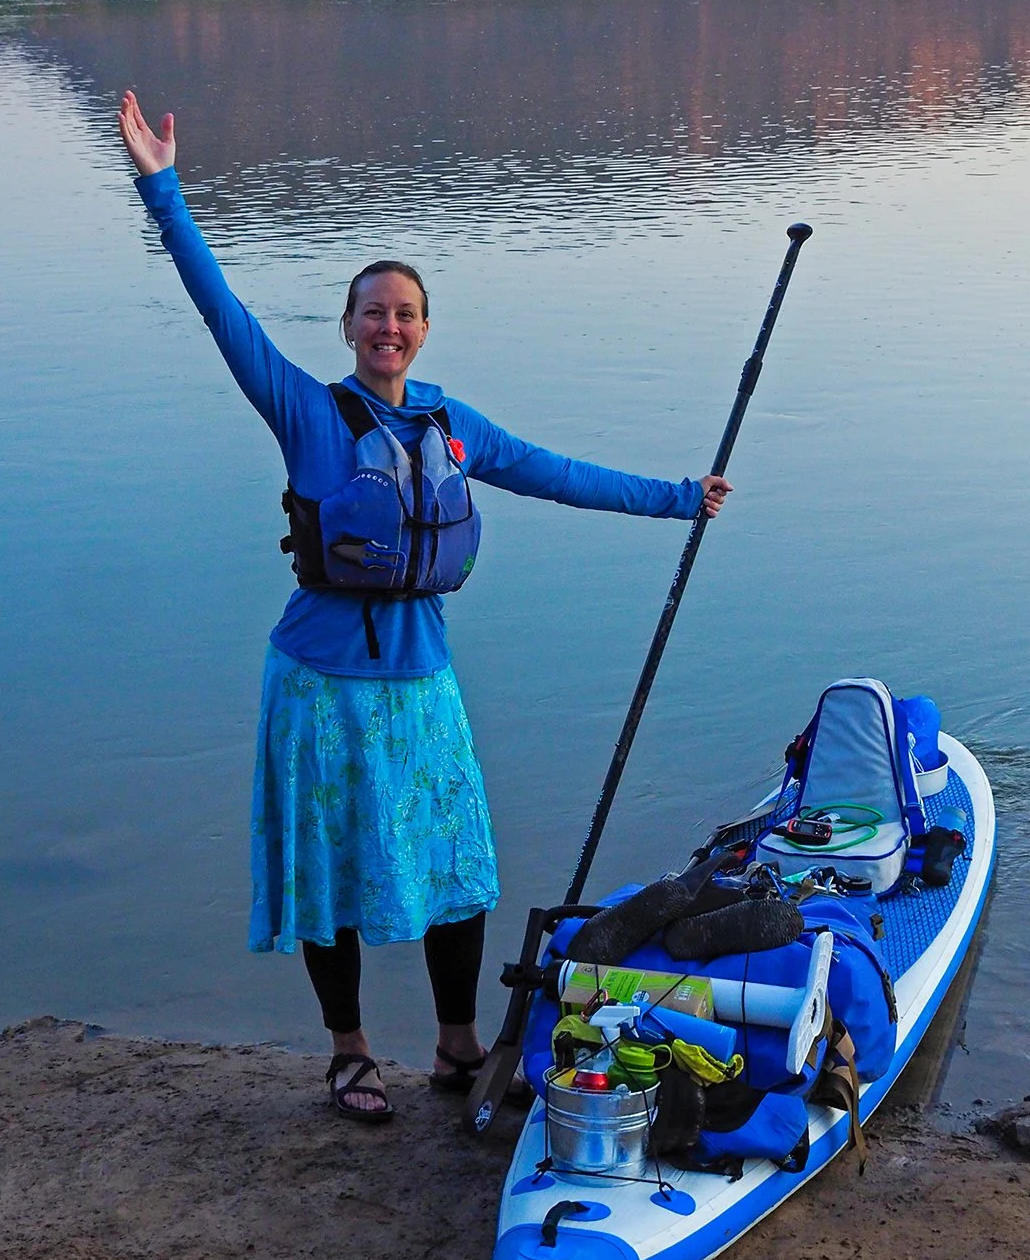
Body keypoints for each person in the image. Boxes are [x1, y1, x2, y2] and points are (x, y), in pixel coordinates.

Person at [117, 91, 730, 1121]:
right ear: (349, 329)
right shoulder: (306, 411)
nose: (388, 328)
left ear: (424, 328)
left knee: (462, 867)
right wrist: (161, 188)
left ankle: (457, 1045)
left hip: (422, 682)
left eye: (404, 313)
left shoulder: (454, 427)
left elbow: (554, 472)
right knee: (329, 875)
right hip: (319, 684)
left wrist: (676, 500)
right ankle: (350, 1053)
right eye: (372, 314)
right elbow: (220, 309)